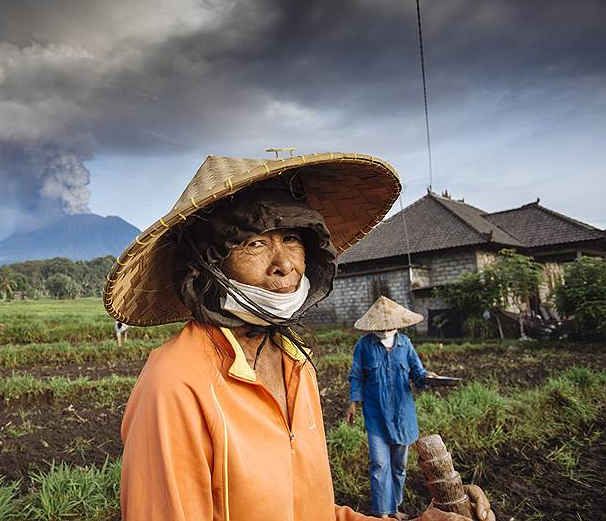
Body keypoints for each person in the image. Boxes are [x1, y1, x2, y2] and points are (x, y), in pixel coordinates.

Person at [104, 153, 494, 521]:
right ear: (206, 265)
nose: (285, 264)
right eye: (255, 243)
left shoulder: (296, 363)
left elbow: (312, 511)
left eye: (292, 238)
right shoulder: (175, 383)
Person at [346, 296, 437, 520]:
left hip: (402, 415)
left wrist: (428, 377)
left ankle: (394, 507)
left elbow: (417, 373)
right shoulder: (365, 345)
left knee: (399, 465)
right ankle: (381, 513)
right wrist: (352, 403)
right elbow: (357, 375)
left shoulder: (405, 344)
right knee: (379, 464)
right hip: (376, 414)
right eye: (382, 326)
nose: (386, 329)